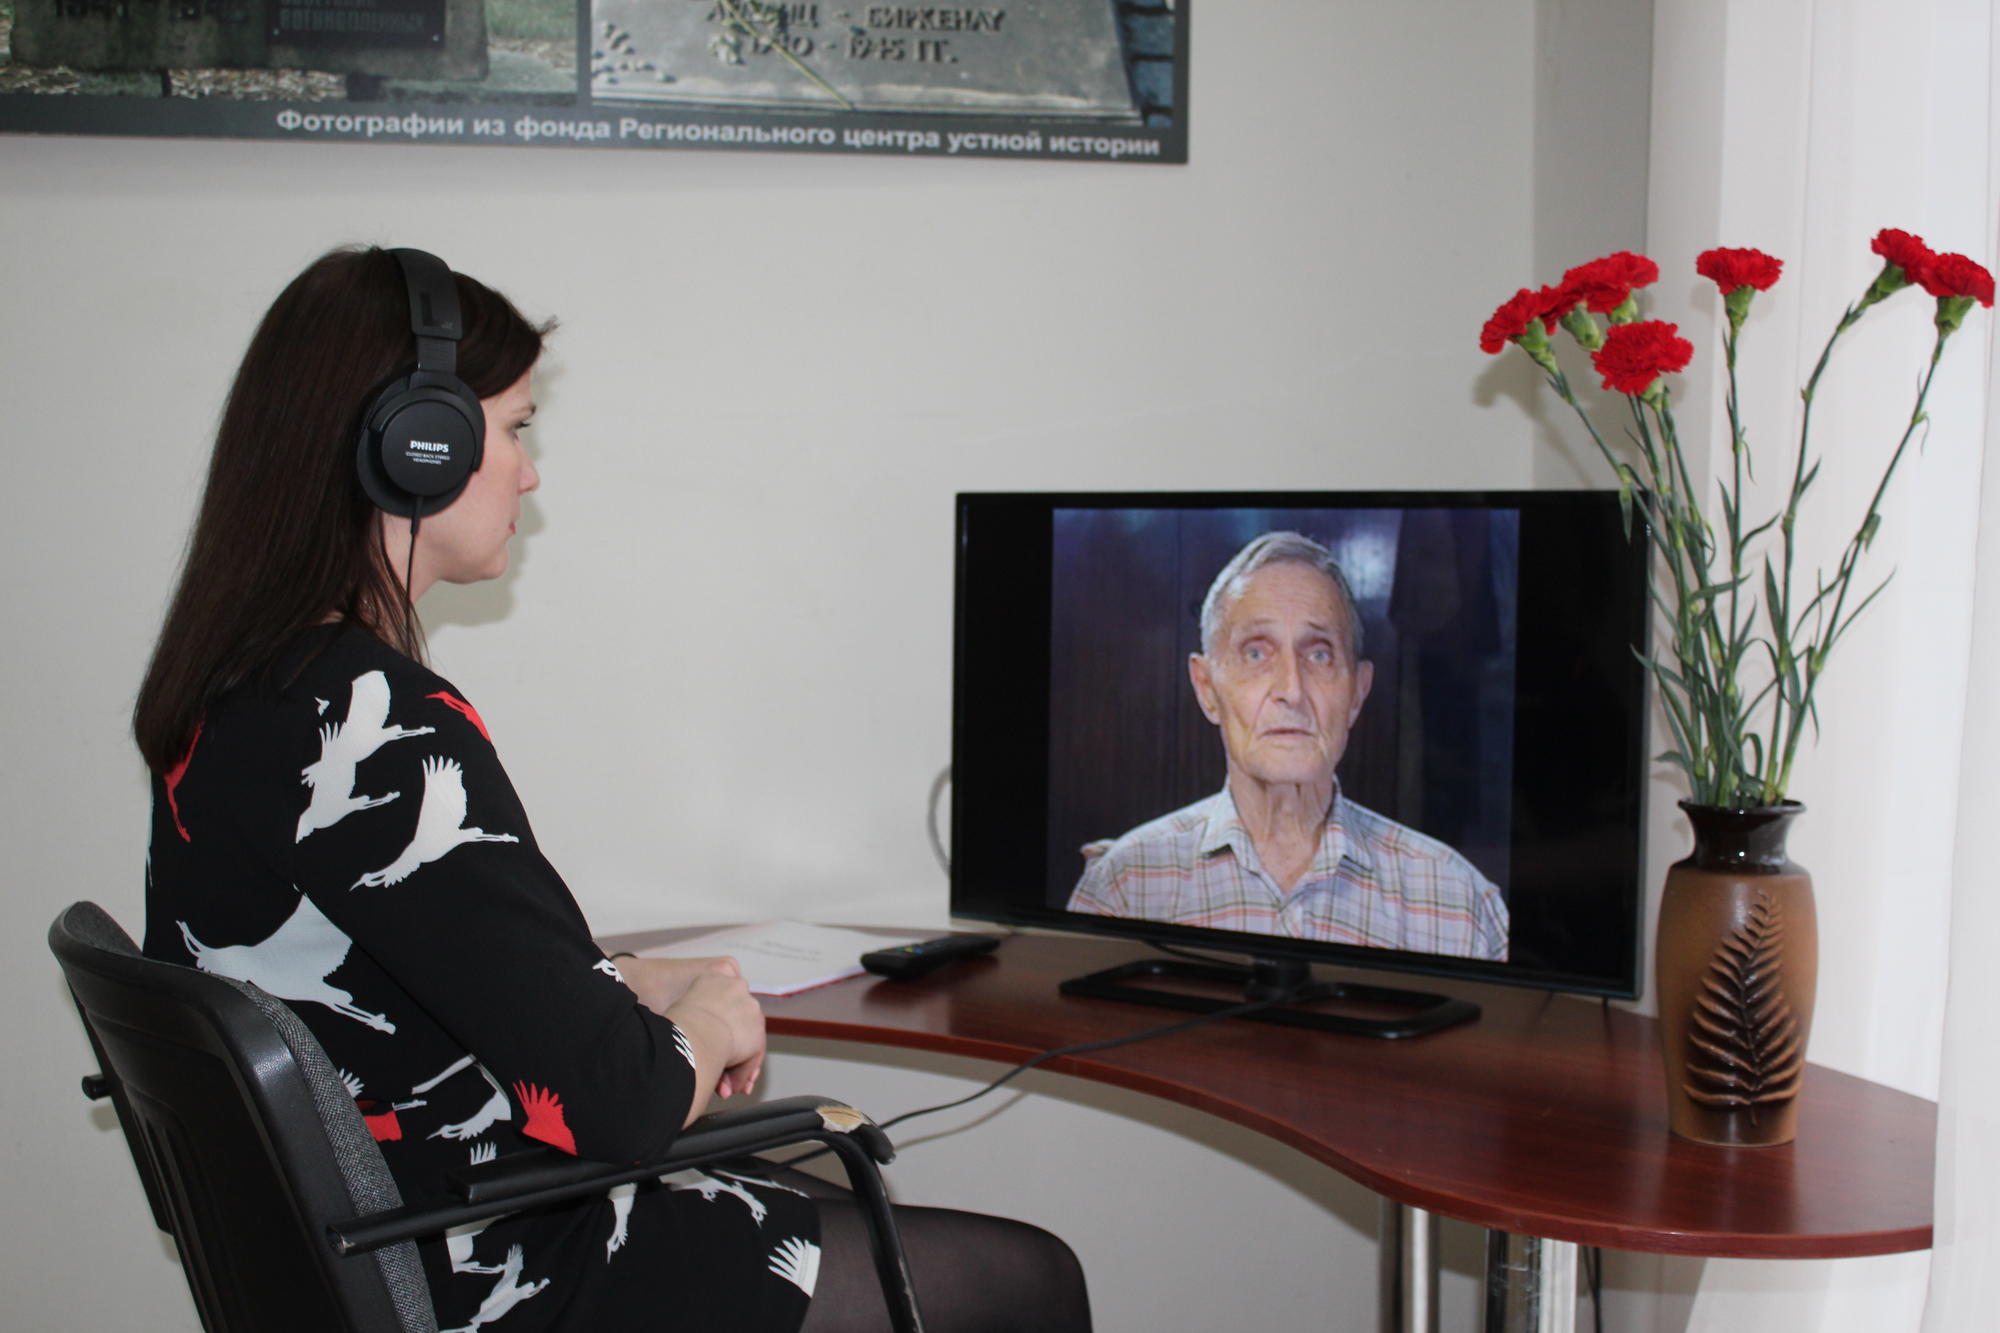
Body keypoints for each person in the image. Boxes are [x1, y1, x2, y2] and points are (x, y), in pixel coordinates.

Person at [135, 246, 1089, 1333]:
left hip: (393, 1234)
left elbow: (403, 982)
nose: (528, 473)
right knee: (1025, 1280)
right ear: (416, 444)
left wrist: (620, 981)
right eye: (515, 428)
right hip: (492, 1258)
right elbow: (620, 1107)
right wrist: (710, 1020)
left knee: (826, 1209)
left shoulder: (247, 695)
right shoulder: (374, 721)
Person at [1067, 531, 1508, 961]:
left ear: (1357, 693)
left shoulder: (1459, 903)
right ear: (1206, 688)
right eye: (1256, 654)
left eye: (1319, 655)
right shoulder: (1124, 886)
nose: (1291, 691)